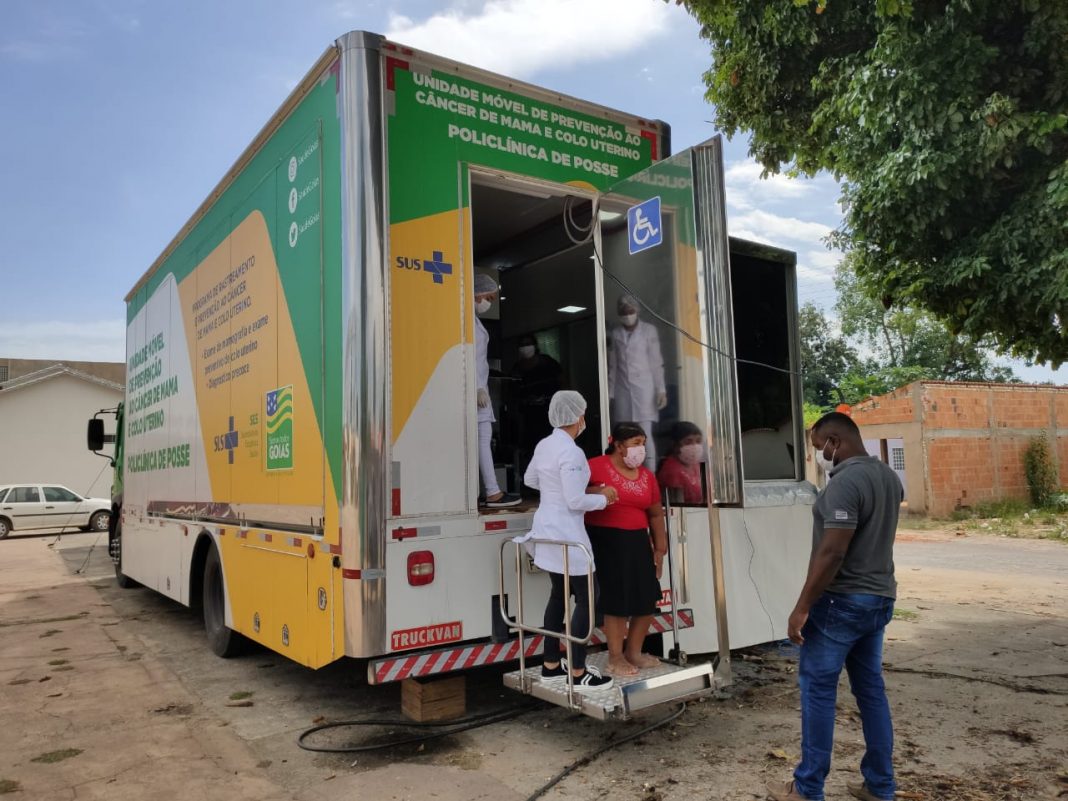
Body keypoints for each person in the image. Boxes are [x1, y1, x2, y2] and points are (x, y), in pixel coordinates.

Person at [767, 412, 902, 801]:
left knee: (819, 691)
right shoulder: (888, 478)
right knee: (871, 691)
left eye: (818, 449)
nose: (819, 457)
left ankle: (807, 788)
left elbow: (833, 551)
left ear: (834, 442)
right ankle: (880, 785)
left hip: (841, 602)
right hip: (879, 599)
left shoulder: (847, 482)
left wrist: (802, 606)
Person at [520, 391, 616, 691]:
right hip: (567, 534)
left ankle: (550, 665)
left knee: (557, 596)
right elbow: (575, 501)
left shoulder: (544, 445)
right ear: (578, 417)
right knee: (588, 599)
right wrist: (604, 498)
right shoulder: (572, 452)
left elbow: (530, 481)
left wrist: (563, 489)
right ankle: (577, 671)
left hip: (546, 530)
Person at [584, 421, 668, 676]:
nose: (640, 449)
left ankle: (634, 652)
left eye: (642, 444)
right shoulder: (595, 466)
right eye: (635, 444)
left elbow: (655, 514)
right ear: (618, 446)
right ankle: (616, 658)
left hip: (638, 541)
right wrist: (595, 491)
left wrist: (659, 548)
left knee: (646, 597)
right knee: (617, 600)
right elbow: (573, 495)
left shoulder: (646, 476)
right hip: (607, 540)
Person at [473, 271, 520, 508]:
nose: (487, 303)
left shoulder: (473, 320)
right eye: (487, 298)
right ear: (476, 292)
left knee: (482, 440)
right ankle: (492, 492)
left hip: (478, 393)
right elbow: (466, 358)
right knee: (481, 441)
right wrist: (476, 389)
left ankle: (489, 491)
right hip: (474, 394)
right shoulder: (465, 321)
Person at [607, 295, 667, 469]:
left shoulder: (649, 331)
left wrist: (660, 389)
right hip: (623, 390)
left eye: (630, 311)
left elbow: (656, 363)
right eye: (623, 312)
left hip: (645, 391)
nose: (627, 314)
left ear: (637, 311)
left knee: (644, 435)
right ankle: (626, 473)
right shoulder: (616, 334)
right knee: (623, 437)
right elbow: (613, 366)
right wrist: (610, 394)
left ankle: (651, 474)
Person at [511, 334, 564, 471]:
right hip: (528, 416)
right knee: (532, 447)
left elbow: (562, 381)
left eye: (528, 344)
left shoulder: (547, 362)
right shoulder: (517, 369)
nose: (525, 347)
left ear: (535, 346)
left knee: (551, 444)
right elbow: (512, 393)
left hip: (549, 413)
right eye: (522, 345)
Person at [657, 421, 706, 505]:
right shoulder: (671, 472)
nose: (694, 446)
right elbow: (677, 508)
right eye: (688, 442)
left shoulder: (696, 465)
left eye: (698, 441)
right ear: (675, 444)